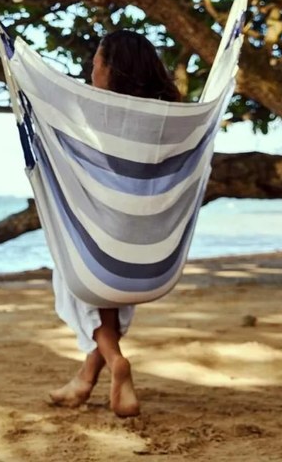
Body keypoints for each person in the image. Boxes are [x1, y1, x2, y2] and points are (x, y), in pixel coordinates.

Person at [47, 30, 182, 418]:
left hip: (102, 233)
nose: (91, 73)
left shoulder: (97, 116)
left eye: (95, 64)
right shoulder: (167, 118)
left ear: (111, 68)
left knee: (76, 276)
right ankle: (84, 382)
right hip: (145, 241)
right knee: (103, 290)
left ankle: (115, 360)